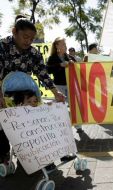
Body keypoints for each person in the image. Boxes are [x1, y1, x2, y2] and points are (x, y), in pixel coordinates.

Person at [0, 15, 65, 164]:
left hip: (26, 94)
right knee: (3, 125)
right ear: (14, 31)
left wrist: (56, 92)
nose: (28, 41)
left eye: (31, 39)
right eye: (25, 37)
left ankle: (26, 152)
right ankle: (3, 155)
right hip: (2, 92)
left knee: (27, 123)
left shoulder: (34, 53)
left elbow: (42, 73)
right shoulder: (2, 46)